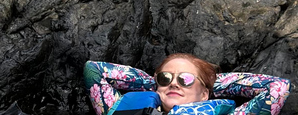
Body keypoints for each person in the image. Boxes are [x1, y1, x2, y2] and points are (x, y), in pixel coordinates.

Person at [84, 54, 291, 114]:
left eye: (186, 79)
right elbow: (94, 70)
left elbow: (278, 88)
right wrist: (155, 84)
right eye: (166, 78)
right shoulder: (117, 108)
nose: (174, 84)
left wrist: (211, 82)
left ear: (204, 95)